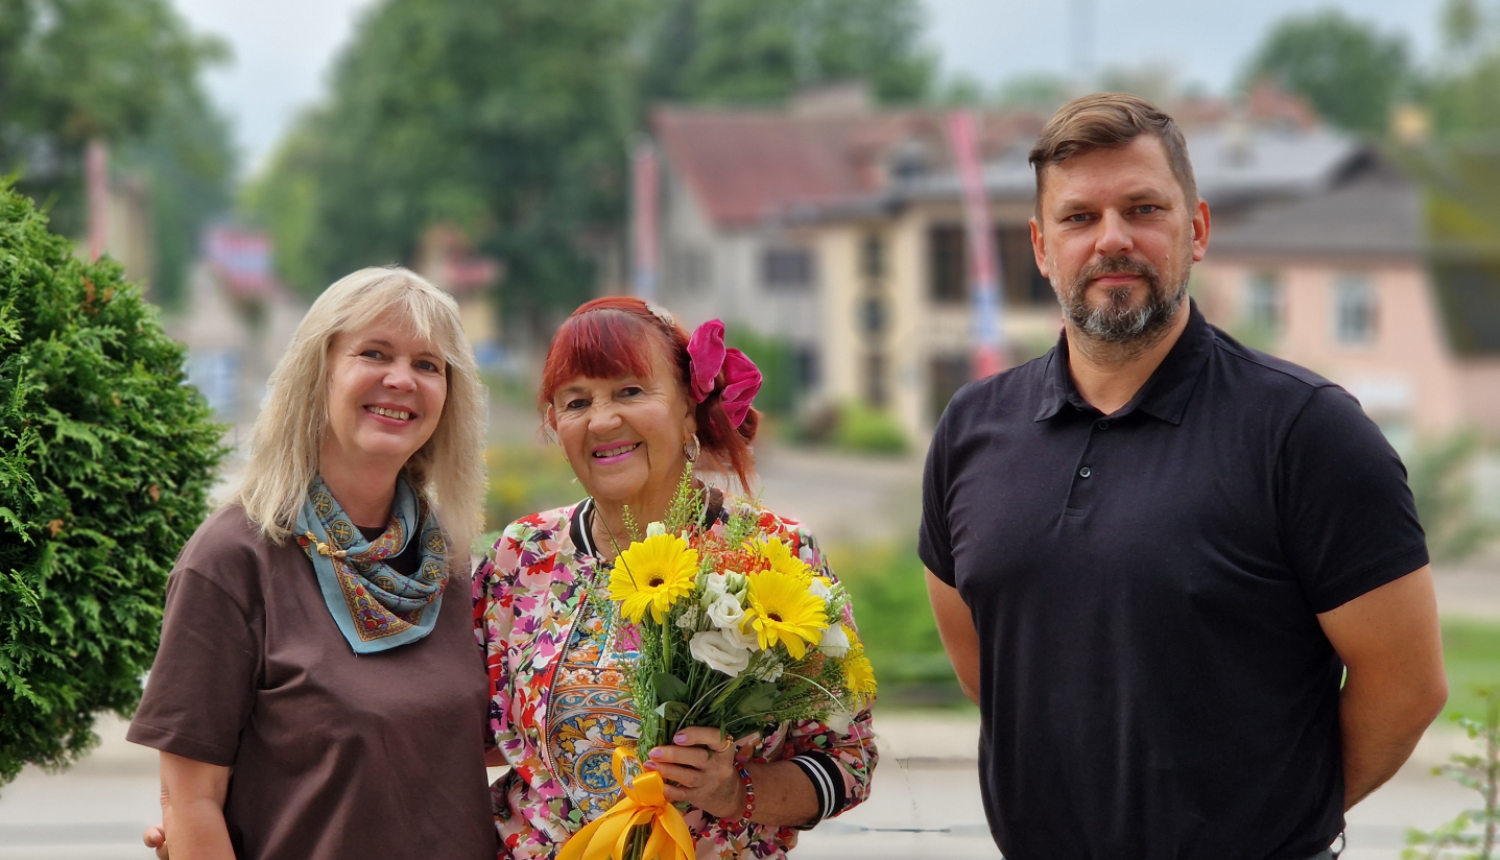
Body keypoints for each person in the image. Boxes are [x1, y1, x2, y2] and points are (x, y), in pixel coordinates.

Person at [919, 93, 1448, 860]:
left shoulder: (1306, 432)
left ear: (1195, 229)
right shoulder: (972, 429)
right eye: (1079, 217)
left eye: (1143, 209)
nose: (1112, 239)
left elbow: (1407, 686)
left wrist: (1274, 825)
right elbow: (989, 669)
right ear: (1040, 247)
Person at [474, 297, 876, 859]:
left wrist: (734, 792)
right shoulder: (523, 555)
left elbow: (848, 762)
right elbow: (462, 734)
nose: (602, 420)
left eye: (630, 391)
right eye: (576, 402)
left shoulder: (774, 553)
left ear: (690, 408)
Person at [128, 267, 495, 860]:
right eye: (375, 353)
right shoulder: (233, 558)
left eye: (428, 364)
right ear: (317, 372)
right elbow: (189, 801)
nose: (402, 379)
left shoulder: (445, 561)